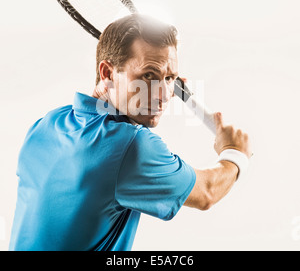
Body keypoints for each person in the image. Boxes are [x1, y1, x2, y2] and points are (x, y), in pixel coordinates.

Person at [9, 14, 251, 251]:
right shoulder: (130, 145)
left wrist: (158, 76)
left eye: (169, 79)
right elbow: (207, 192)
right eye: (147, 75)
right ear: (107, 74)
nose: (164, 96)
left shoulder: (46, 124)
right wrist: (234, 153)